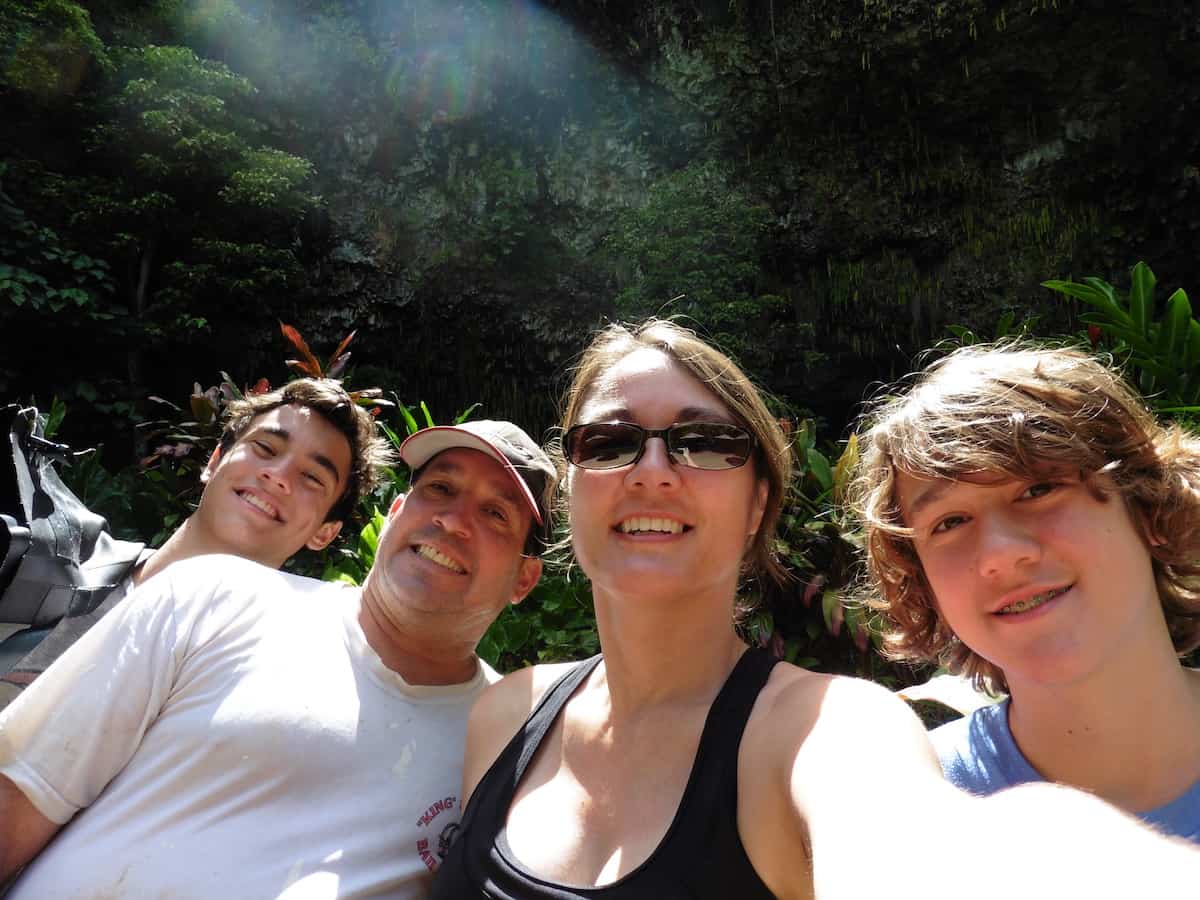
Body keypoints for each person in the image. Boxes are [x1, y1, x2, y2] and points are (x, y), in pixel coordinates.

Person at [431, 321, 1199, 900]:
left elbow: (916, 844)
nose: (653, 470)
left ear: (760, 498)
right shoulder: (504, 715)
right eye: (609, 441)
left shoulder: (830, 732)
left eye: (703, 442)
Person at [0, 418, 556, 899]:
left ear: (524, 579)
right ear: (394, 512)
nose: (454, 521)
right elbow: (20, 794)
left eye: (495, 514)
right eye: (439, 488)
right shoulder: (213, 598)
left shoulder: (509, 745)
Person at [851, 342, 1200, 841]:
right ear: (923, 583)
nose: (999, 555)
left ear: (1148, 507)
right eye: (950, 522)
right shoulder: (912, 816)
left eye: (1038, 490)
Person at [0, 377, 389, 708]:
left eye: (313, 478)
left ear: (326, 531)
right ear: (215, 461)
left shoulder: (279, 684)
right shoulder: (35, 560)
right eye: (265, 449)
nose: (278, 475)